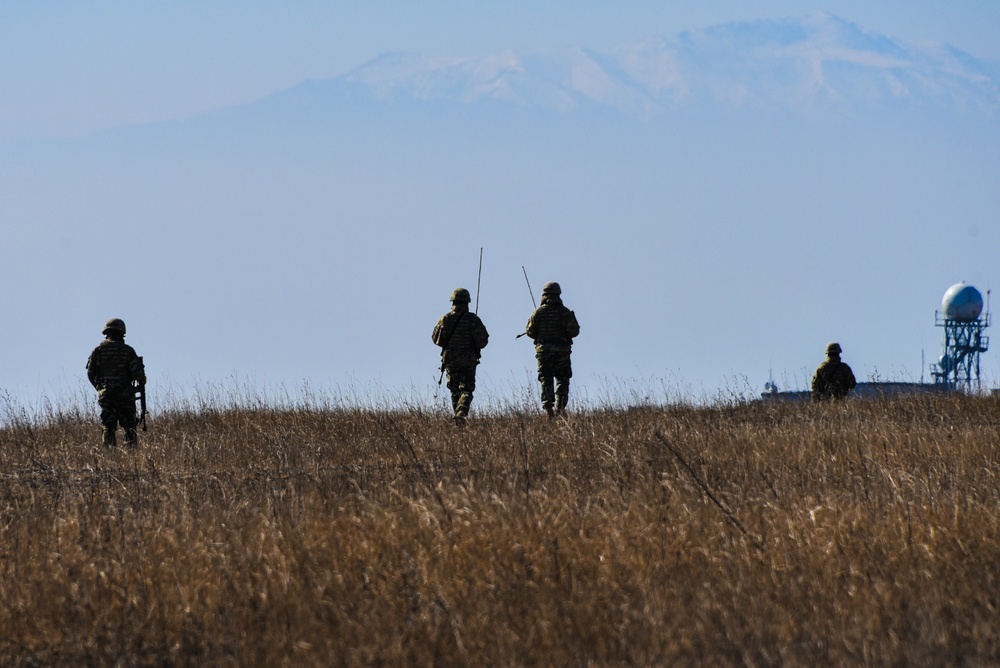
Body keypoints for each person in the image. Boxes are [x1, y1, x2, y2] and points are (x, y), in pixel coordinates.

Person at [432, 288, 489, 424]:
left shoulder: (445, 319)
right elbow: (483, 341)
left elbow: (436, 339)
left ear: (453, 301)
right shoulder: (473, 319)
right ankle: (461, 412)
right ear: (467, 302)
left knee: (454, 390)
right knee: (466, 389)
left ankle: (458, 418)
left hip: (450, 360)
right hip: (468, 361)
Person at [86, 318, 146, 447]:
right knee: (130, 427)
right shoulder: (128, 351)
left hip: (106, 394)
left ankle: (109, 456)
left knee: (108, 427)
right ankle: (131, 455)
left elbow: (90, 373)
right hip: (125, 394)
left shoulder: (98, 350)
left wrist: (100, 388)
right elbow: (139, 375)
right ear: (122, 332)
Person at [525, 282, 580, 417]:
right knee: (562, 379)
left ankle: (549, 409)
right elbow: (574, 331)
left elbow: (530, 331)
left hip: (543, 352)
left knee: (546, 379)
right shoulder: (565, 312)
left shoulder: (538, 312)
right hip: (562, 351)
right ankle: (560, 408)